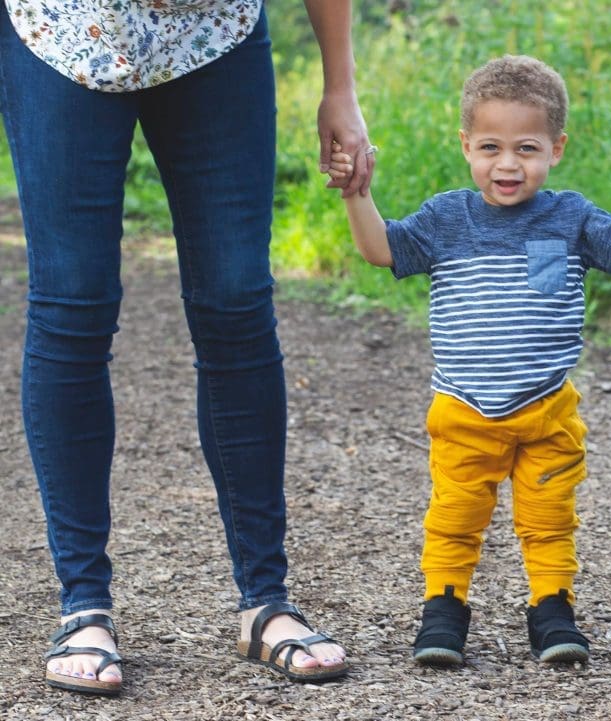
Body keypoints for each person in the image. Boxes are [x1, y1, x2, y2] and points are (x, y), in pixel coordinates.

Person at [0, 0, 374, 696]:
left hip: (216, 33)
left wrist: (339, 86)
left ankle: (266, 599)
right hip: (62, 30)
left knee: (236, 297)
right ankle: (83, 606)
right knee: (73, 300)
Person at [331, 54, 611, 666]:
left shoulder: (569, 216)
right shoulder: (446, 218)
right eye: (490, 147)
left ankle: (552, 610)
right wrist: (358, 194)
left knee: (548, 520)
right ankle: (443, 610)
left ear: (557, 148)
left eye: (527, 148)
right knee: (454, 518)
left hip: (545, 408)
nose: (508, 164)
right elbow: (382, 250)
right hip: (463, 409)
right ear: (466, 145)